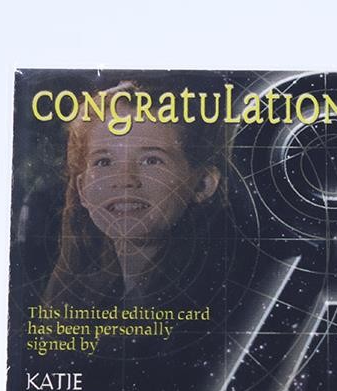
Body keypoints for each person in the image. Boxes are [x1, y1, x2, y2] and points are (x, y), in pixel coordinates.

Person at [42, 80, 231, 308]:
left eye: (151, 160)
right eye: (104, 161)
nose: (124, 180)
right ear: (82, 189)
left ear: (203, 184)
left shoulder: (219, 297)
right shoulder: (84, 298)